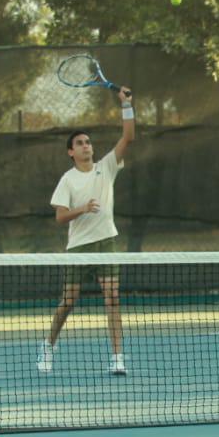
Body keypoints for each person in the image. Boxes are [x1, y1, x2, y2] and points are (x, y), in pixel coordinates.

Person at [37, 86, 136, 376]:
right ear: (71, 151)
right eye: (79, 143)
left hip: (107, 241)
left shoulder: (106, 167)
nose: (86, 145)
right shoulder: (67, 180)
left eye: (88, 142)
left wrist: (126, 105)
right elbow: (60, 218)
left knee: (113, 299)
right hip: (78, 248)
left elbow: (128, 136)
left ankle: (117, 358)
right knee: (68, 302)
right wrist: (82, 209)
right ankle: (48, 346)